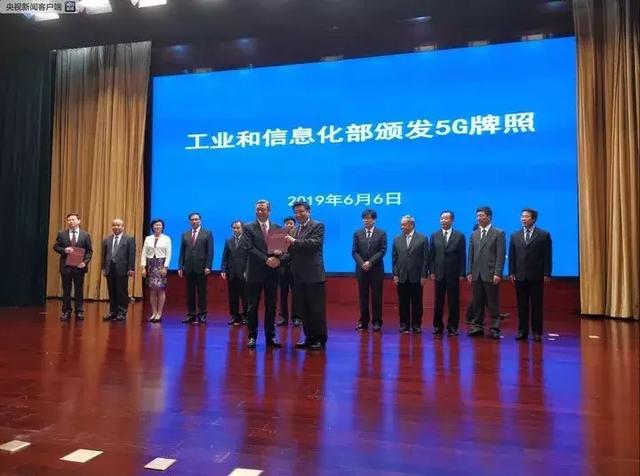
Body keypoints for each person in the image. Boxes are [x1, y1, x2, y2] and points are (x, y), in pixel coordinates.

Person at [285, 201, 328, 350]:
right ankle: (309, 337)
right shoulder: (294, 230)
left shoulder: (318, 225)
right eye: (296, 212)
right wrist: (277, 258)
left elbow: (314, 243)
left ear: (308, 211)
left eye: (301, 211)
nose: (298, 215)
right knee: (303, 309)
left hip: (314, 275)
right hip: (298, 275)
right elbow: (290, 253)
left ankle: (320, 339)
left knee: (316, 309)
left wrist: (294, 241)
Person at [509, 208, 552, 342]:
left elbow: (548, 256)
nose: (523, 219)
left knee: (536, 305)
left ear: (533, 219)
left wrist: (547, 273)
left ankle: (537, 332)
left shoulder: (544, 235)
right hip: (520, 275)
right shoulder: (515, 235)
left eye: (526, 217)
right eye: (522, 216)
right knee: (522, 305)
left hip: (537, 275)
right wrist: (511, 272)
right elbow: (512, 256)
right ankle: (522, 331)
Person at [243, 200, 282, 349]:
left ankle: (270, 336)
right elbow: (249, 248)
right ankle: (252, 336)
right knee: (252, 306)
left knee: (271, 306)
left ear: (269, 211)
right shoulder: (248, 227)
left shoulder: (277, 227)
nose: (260, 212)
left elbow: (279, 249)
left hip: (272, 273)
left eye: (263, 209)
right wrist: (266, 259)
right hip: (254, 272)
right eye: (258, 209)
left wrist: (277, 258)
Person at [467, 206, 506, 339]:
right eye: (477, 216)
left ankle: (495, 328)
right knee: (477, 301)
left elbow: (500, 255)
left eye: (481, 216)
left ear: (489, 217)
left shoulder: (498, 233)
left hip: (490, 273)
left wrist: (498, 273)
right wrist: (469, 271)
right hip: (476, 273)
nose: (478, 218)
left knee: (492, 302)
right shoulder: (474, 234)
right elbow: (470, 255)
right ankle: (478, 326)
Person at [429, 210, 466, 337]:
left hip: (453, 274)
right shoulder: (434, 235)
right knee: (438, 301)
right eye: (441, 218)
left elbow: (462, 256)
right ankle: (437, 326)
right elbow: (431, 256)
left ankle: (453, 327)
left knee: (453, 302)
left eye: (446, 218)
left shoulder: (459, 236)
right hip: (438, 274)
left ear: (452, 220)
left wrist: (462, 273)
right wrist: (432, 271)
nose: (443, 221)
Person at [392, 215, 429, 334]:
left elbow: (425, 259)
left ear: (411, 224)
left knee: (417, 302)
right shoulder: (397, 239)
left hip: (417, 276)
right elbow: (394, 259)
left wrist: (424, 275)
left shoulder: (422, 238)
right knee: (403, 303)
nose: (401, 227)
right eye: (401, 224)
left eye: (404, 224)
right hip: (401, 276)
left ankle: (417, 325)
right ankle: (404, 325)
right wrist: (395, 274)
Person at [53, 212, 93, 321]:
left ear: (79, 221)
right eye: (69, 220)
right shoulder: (62, 234)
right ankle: (66, 311)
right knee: (66, 290)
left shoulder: (85, 235)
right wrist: (64, 250)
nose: (71, 222)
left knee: (79, 289)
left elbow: (89, 251)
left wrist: (85, 262)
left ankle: (79, 311)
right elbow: (55, 247)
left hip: (79, 266)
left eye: (73, 219)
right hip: (66, 266)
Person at [352, 208, 387, 332]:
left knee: (376, 297)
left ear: (374, 220)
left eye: (368, 218)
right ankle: (363, 321)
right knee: (363, 297)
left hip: (376, 269)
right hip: (361, 270)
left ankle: (377, 322)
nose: (365, 220)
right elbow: (354, 251)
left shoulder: (381, 233)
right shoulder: (358, 233)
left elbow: (382, 250)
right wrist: (362, 263)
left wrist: (370, 262)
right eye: (364, 218)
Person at [178, 212, 213, 324]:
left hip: (202, 268)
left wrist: (208, 266)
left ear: (200, 220)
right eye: (192, 220)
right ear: (189, 221)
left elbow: (210, 251)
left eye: (196, 219)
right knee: (190, 292)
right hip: (188, 267)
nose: (194, 221)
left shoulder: (207, 233)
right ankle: (191, 314)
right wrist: (180, 266)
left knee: (202, 292)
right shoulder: (185, 234)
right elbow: (182, 252)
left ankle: (202, 314)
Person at [101, 218, 136, 321]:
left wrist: (131, 268)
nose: (116, 227)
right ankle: (113, 311)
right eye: (114, 225)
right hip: (109, 269)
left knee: (121, 292)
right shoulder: (107, 240)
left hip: (123, 269)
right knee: (111, 291)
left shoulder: (129, 239)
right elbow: (103, 255)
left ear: (123, 227)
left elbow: (132, 254)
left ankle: (122, 312)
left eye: (118, 225)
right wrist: (103, 267)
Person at [141, 218, 171, 322]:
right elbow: (144, 253)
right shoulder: (148, 238)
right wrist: (143, 267)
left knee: (161, 289)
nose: (158, 227)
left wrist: (165, 267)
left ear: (162, 227)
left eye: (159, 225)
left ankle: (159, 313)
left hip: (160, 264)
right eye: (156, 225)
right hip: (150, 265)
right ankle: (154, 313)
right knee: (153, 290)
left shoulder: (167, 238)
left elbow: (169, 254)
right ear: (152, 227)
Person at [221, 220, 248, 326]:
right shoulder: (228, 240)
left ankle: (246, 316)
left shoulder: (247, 240)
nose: (235, 230)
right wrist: (223, 269)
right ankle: (234, 316)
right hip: (231, 272)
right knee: (233, 296)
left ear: (242, 228)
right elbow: (225, 256)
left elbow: (250, 257)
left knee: (245, 296)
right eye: (234, 228)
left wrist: (248, 270)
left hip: (244, 272)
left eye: (238, 228)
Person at [276, 216, 301, 327]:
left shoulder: (299, 237)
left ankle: (296, 317)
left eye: (291, 223)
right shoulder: (278, 237)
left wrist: (283, 256)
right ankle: (283, 317)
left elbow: (297, 253)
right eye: (287, 223)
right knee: (282, 294)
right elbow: (275, 252)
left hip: (295, 270)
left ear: (295, 225)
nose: (289, 225)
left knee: (296, 294)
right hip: (282, 270)